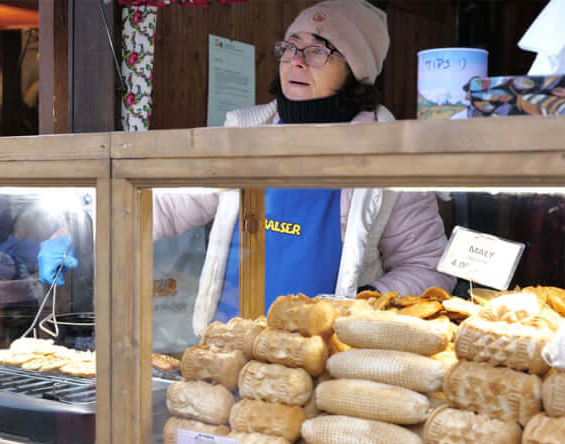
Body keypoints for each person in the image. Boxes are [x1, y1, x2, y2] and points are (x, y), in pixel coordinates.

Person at [41, 0, 456, 337]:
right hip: (231, 340)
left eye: (318, 50)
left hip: (327, 353)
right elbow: (165, 205)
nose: (296, 61)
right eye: (291, 46)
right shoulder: (242, 134)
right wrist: (80, 226)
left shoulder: (388, 154)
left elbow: (427, 264)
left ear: (355, 70)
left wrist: (363, 302)